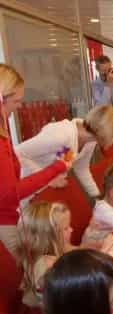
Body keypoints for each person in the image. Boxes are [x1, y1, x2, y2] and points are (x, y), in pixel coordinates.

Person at [0, 64, 69, 257]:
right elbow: (12, 193)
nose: (19, 106)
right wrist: (55, 169)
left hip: (9, 218)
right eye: (16, 101)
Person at [15, 104, 113, 202]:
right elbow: (17, 153)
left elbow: (82, 169)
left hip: (44, 192)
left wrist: (98, 198)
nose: (110, 143)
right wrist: (49, 179)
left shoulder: (90, 140)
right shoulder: (61, 136)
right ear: (103, 132)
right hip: (24, 189)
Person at [17, 201, 74, 307]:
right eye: (66, 228)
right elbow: (67, 298)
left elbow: (70, 249)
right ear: (47, 237)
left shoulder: (39, 251)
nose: (71, 230)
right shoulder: (49, 265)